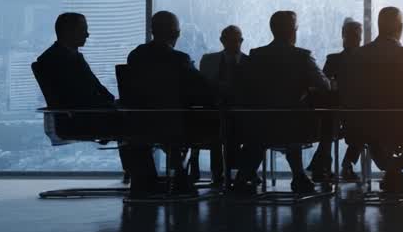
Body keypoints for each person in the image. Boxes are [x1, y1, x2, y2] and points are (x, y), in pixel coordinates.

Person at [230, 10, 333, 195]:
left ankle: (243, 176)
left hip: (260, 124)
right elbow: (325, 85)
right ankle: (303, 174)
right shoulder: (302, 56)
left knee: (264, 131)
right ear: (293, 31)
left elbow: (245, 87)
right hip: (296, 125)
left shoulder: (256, 55)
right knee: (310, 119)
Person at [34, 12, 136, 184]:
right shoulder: (59, 60)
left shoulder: (63, 56)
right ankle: (143, 176)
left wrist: (112, 103)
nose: (87, 34)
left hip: (86, 114)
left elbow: (91, 90)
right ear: (68, 31)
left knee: (132, 113)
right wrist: (111, 106)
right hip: (83, 118)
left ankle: (137, 173)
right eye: (83, 30)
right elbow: (80, 95)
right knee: (138, 120)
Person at [123, 10, 215, 196]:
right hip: (174, 123)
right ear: (176, 33)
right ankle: (182, 177)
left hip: (139, 123)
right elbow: (203, 89)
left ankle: (146, 180)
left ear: (152, 30)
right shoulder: (179, 59)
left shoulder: (135, 56)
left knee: (162, 129)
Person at [352, 7, 403, 194]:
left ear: (379, 26)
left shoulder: (359, 55)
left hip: (366, 124)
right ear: (400, 27)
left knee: (377, 134)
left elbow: (353, 90)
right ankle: (399, 167)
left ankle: (391, 169)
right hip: (401, 124)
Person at [308, 18, 364, 181]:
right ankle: (346, 164)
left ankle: (322, 165)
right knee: (360, 125)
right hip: (355, 109)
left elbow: (324, 85)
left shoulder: (334, 59)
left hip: (338, 108)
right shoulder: (365, 59)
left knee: (330, 125)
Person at [197, 25, 247, 186]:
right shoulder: (209, 61)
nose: (234, 44)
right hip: (218, 111)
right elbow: (203, 88)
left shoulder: (209, 61)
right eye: (231, 40)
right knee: (222, 126)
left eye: (236, 40)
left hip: (236, 113)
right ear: (222, 41)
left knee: (222, 129)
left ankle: (220, 174)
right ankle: (238, 172)